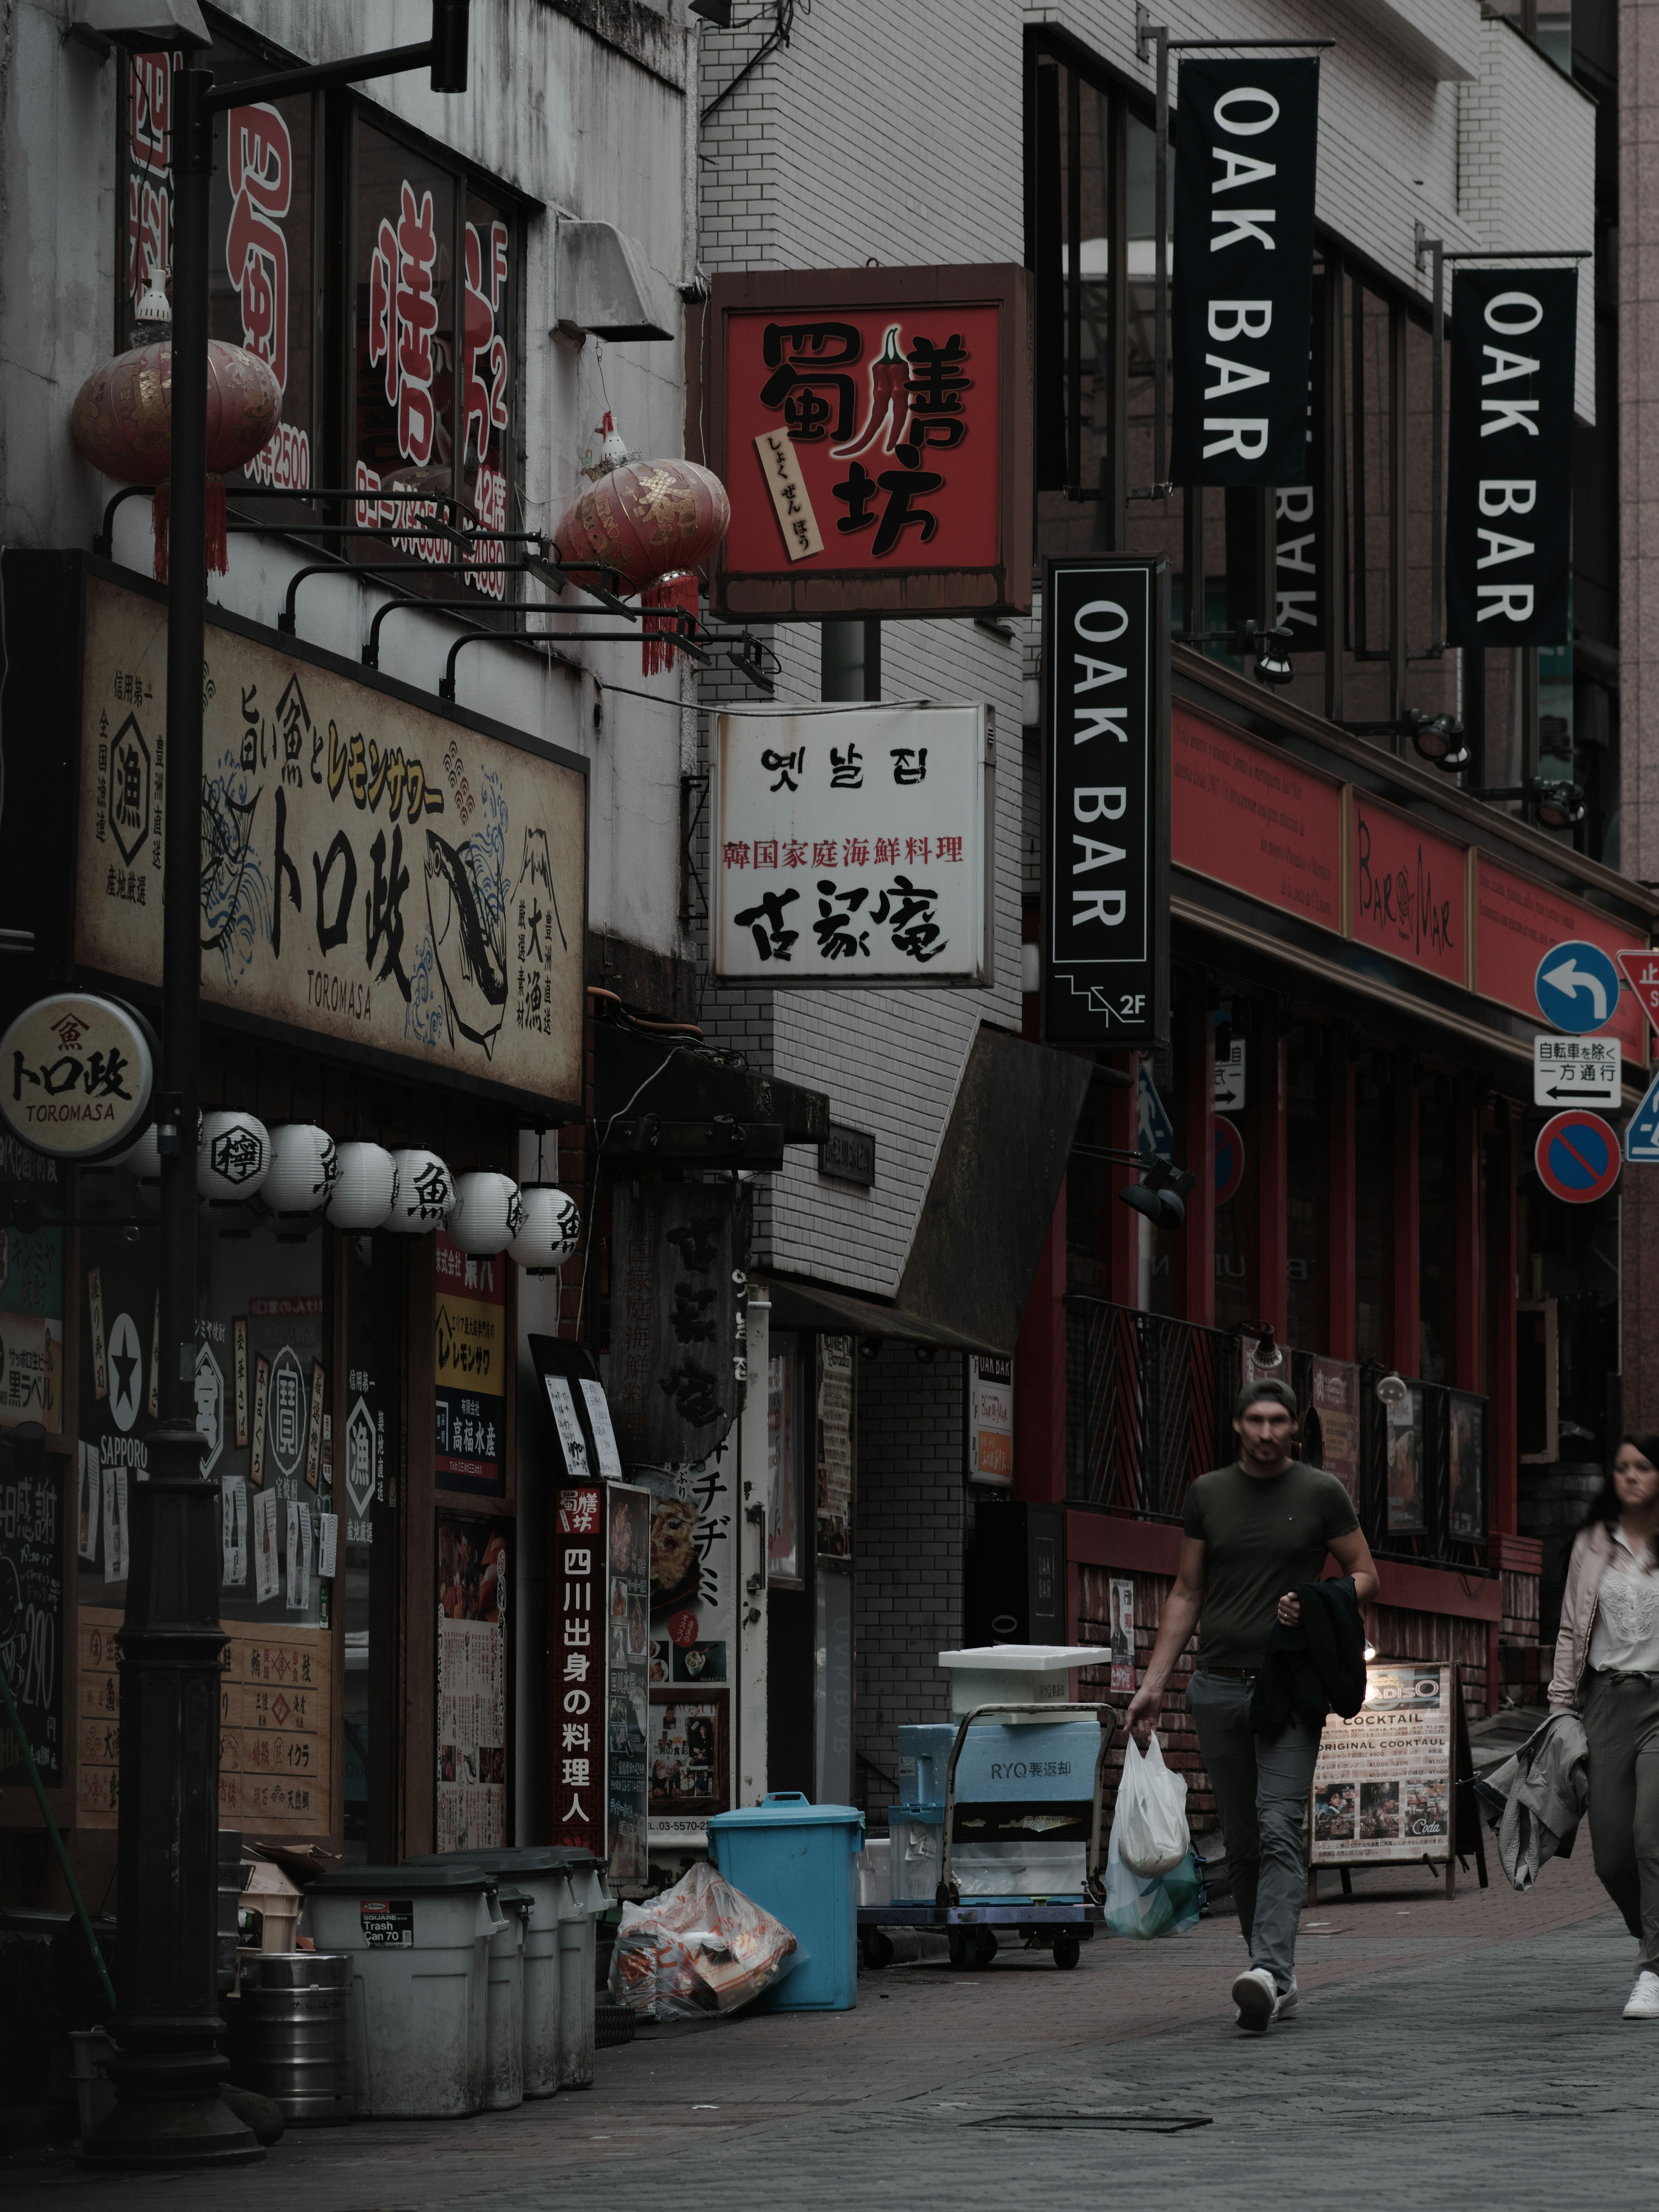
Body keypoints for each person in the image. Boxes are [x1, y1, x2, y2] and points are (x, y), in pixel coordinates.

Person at [1125, 1379, 1378, 2033]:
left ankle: (1268, 1970)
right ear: (1238, 1426)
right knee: (1239, 1841)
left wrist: (1320, 1597)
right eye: (1255, 1421)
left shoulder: (1321, 1492)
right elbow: (1186, 1591)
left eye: (1279, 1422)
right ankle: (1272, 1974)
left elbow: (1367, 1575)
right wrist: (1154, 1681)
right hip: (1215, 1685)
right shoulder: (1207, 1495)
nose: (1267, 1433)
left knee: (1277, 1825)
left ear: (1295, 1427)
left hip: (1288, 1687)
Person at [1548, 1432, 1659, 2019]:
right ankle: (1654, 1936)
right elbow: (1571, 1629)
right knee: (1611, 1857)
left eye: (1643, 1467)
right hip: (1607, 1705)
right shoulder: (1592, 1544)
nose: (1631, 1477)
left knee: (1650, 1837)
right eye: (1621, 1468)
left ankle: (1653, 1968)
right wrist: (1561, 1706)